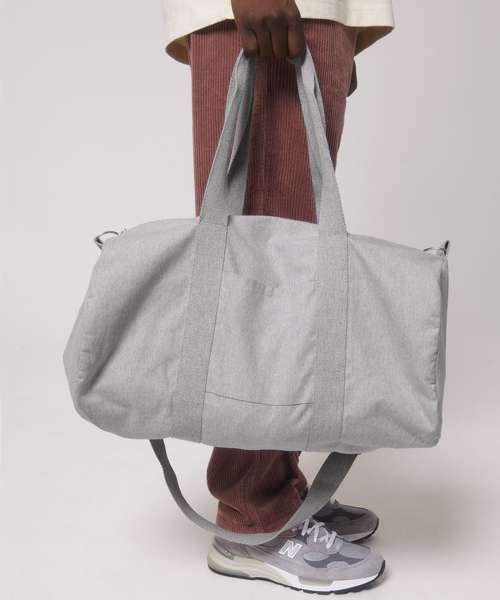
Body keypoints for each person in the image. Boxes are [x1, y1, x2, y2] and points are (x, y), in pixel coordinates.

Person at [161, 0, 394, 593]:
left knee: (292, 265)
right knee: (259, 266)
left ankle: (280, 487)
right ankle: (253, 517)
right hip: (271, 12)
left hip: (319, 15)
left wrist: (345, 33)